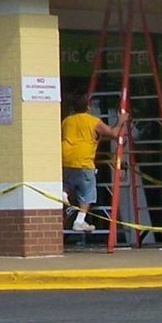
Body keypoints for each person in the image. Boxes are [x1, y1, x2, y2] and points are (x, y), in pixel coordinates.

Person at [60, 97, 123, 233]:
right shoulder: (93, 121)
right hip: (84, 160)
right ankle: (79, 221)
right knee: (87, 193)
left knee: (69, 182)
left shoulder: (66, 121)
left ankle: (64, 194)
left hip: (65, 158)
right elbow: (113, 133)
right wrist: (120, 121)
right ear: (88, 107)